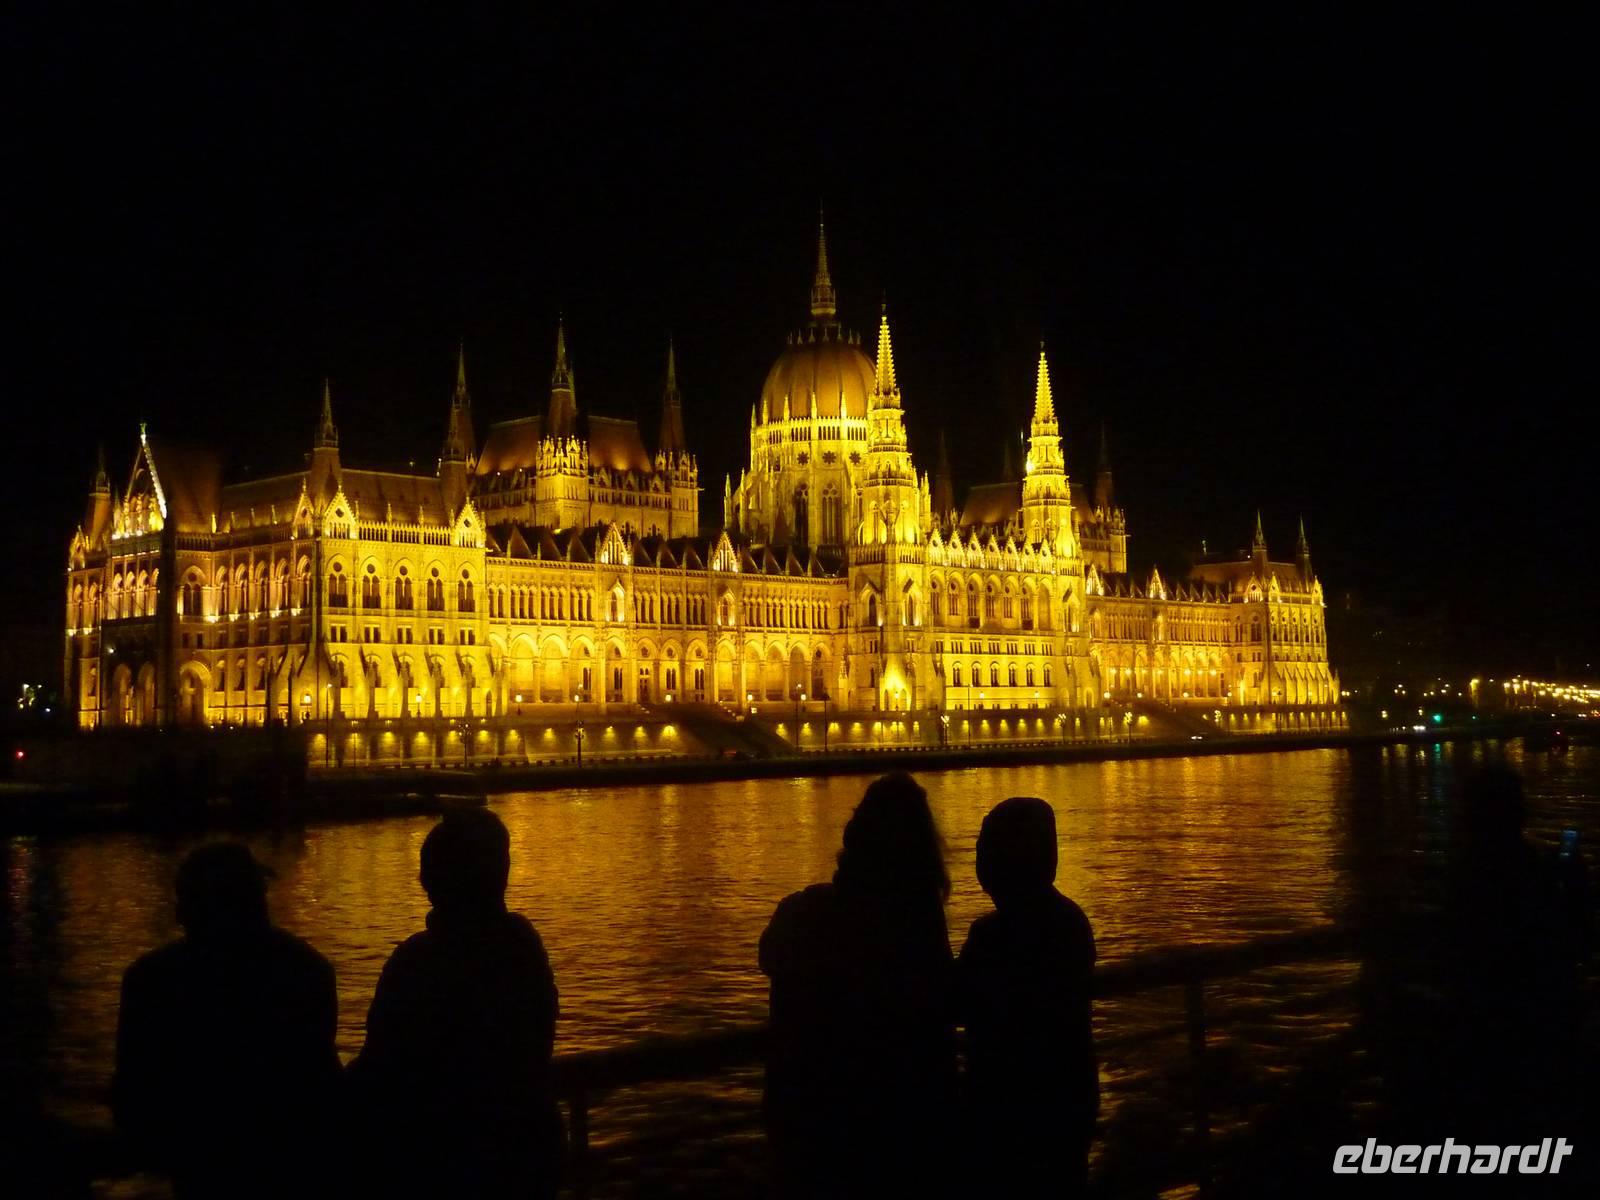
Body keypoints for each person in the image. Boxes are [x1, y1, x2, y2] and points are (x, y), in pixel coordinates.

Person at [759, 772, 958, 1199]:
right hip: (908, 1124)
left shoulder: (803, 914)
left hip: (820, 1123)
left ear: (852, 841)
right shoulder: (920, 924)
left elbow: (772, 959)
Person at [349, 807, 562, 1198]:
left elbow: (382, 1067)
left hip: (444, 1160)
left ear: (433, 880)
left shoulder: (418, 963)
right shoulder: (522, 948)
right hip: (523, 1154)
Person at [112, 842, 340, 1199]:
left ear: (188, 909)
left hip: (198, 1160)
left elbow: (134, 1094)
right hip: (293, 1158)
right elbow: (319, 1077)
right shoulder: (307, 969)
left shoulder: (152, 979)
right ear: (258, 900)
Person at [958, 797, 1097, 1195]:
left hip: (1004, 1101)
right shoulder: (1070, 921)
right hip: (1067, 1094)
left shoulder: (990, 936)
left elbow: (960, 1000)